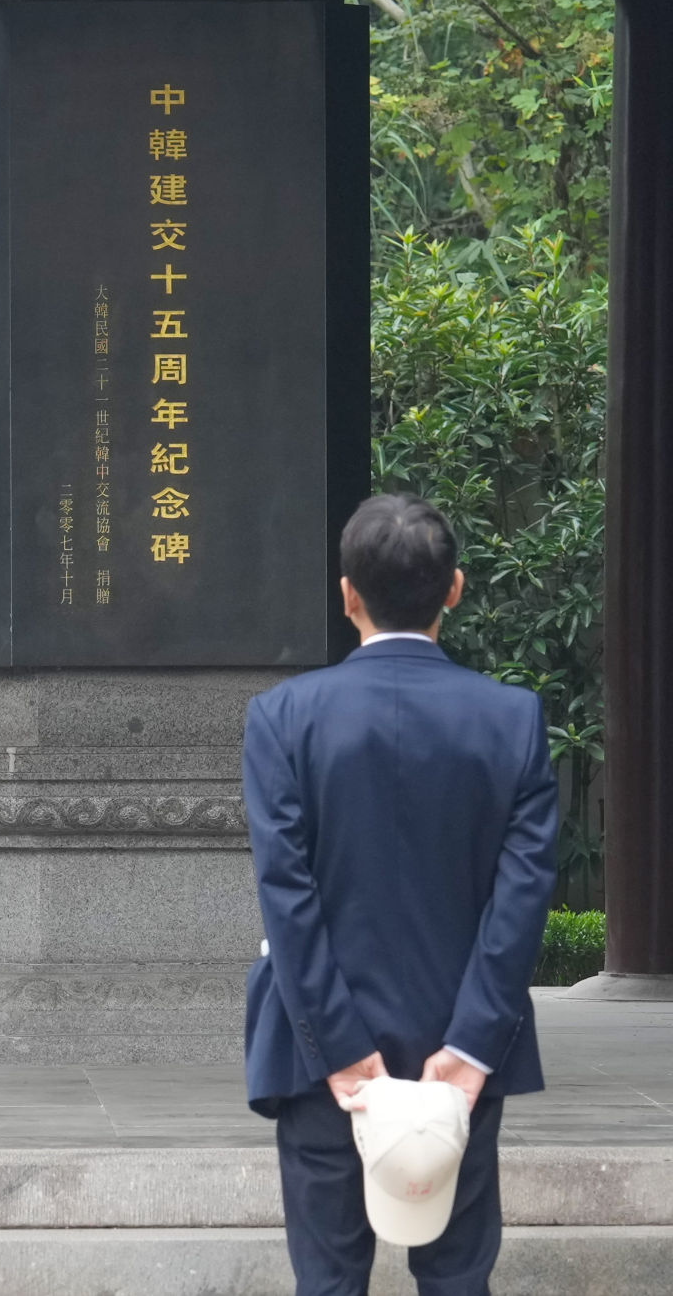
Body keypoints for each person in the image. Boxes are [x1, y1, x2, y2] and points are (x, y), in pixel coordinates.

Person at [242, 493, 558, 1296]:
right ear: (454, 589)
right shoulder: (513, 719)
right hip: (458, 1049)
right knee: (457, 1278)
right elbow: (521, 899)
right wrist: (474, 1047)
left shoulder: (282, 719)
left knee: (328, 1280)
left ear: (347, 595)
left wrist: (340, 1048)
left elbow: (287, 895)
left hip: (319, 1054)